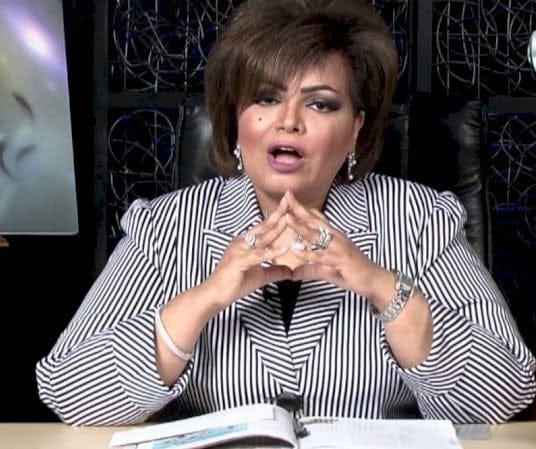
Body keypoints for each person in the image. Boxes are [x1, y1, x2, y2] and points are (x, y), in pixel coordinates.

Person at [36, 0, 536, 426]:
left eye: (321, 105)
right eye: (267, 98)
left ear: (355, 129)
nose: (289, 121)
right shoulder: (166, 227)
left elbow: (508, 390)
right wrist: (208, 297)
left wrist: (383, 288)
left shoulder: (420, 220)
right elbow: (70, 392)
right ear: (236, 119)